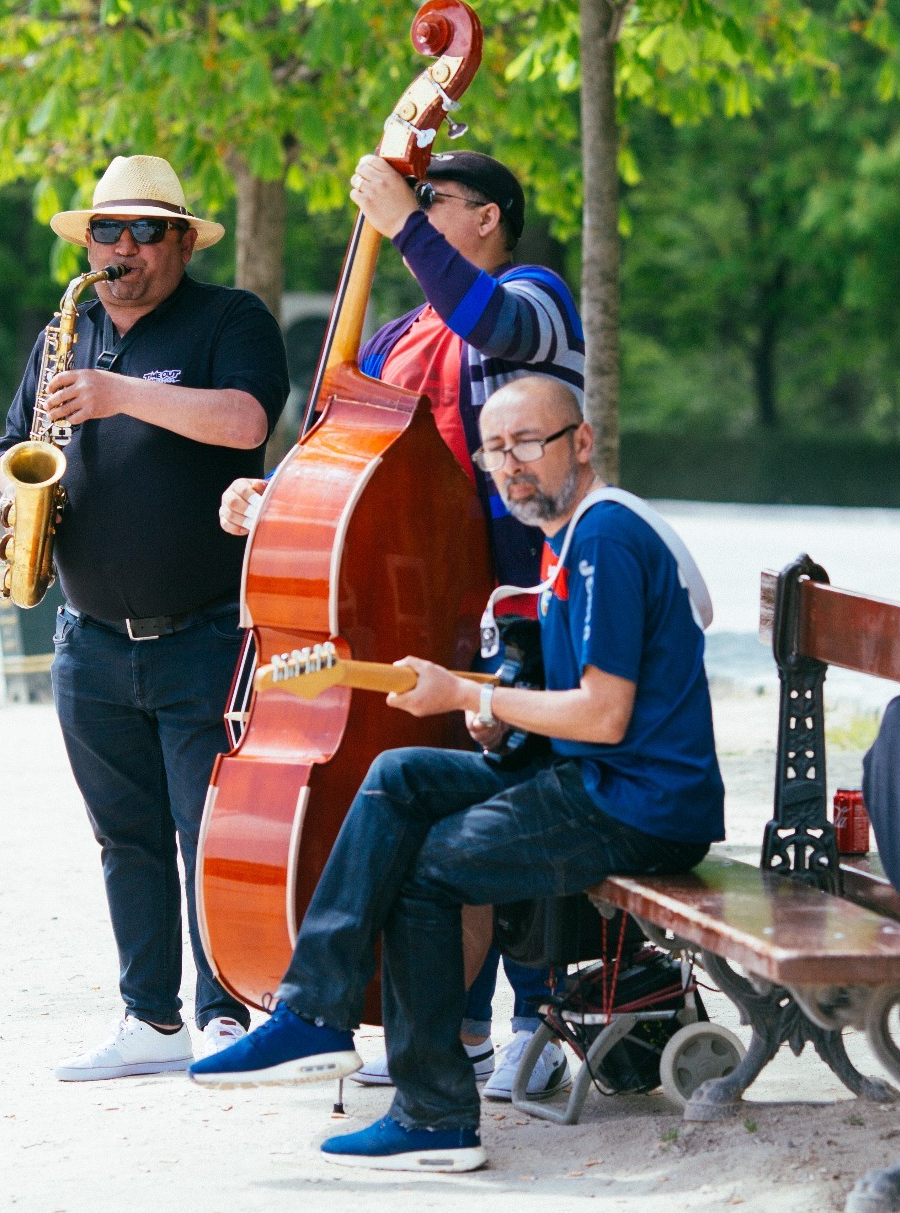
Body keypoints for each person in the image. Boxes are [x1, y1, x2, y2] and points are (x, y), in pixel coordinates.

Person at [190, 375, 724, 1173]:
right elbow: (575, 702)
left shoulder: (608, 537)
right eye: (495, 449)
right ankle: (315, 1012)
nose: (511, 465)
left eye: (529, 444)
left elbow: (606, 715)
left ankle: (436, 1115)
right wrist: (499, 707)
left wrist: (471, 692)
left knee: (428, 869)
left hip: (640, 804)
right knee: (400, 774)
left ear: (581, 442)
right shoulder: (566, 534)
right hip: (596, 778)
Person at [217, 149, 582, 1097]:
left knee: (513, 814)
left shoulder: (534, 297)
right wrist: (276, 496)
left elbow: (488, 317)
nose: (414, 213)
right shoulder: (394, 336)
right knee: (440, 819)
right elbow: (339, 458)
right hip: (422, 610)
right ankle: (450, 1028)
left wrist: (400, 222)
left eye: (435, 203)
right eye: (413, 202)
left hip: (518, 607)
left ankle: (539, 1023)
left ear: (489, 217)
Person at [0, 155, 289, 1081]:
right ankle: (148, 1018)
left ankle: (225, 1012)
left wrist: (122, 395)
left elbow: (246, 421)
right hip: (88, 640)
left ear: (179, 240)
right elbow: (16, 446)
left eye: (144, 231)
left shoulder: (227, 319)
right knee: (123, 838)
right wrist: (23, 498)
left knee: (209, 829)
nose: (122, 249)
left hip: (201, 632)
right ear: (86, 242)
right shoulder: (68, 329)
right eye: (106, 231)